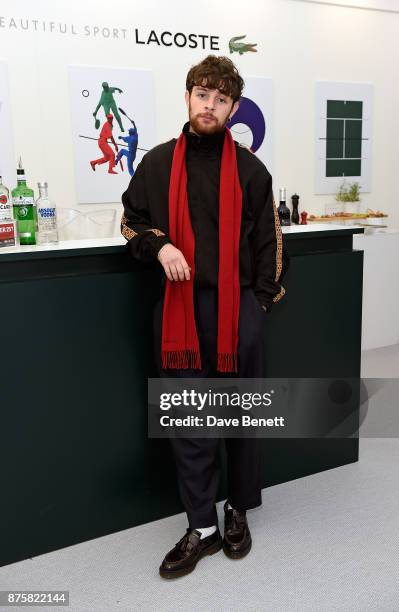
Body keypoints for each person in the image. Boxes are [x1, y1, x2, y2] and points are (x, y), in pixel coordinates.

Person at [120, 55, 289, 579]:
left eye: (220, 99)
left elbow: (271, 245)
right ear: (188, 97)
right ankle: (204, 526)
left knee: (238, 418)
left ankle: (236, 509)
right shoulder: (157, 163)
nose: (209, 106)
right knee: (190, 420)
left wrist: (260, 305)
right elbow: (131, 222)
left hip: (238, 312)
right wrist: (161, 245)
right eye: (202, 95)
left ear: (233, 108)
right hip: (179, 314)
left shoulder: (253, 170)